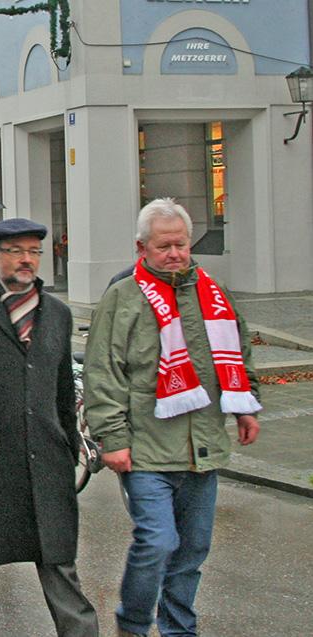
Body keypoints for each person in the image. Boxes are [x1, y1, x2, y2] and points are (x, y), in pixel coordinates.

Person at [84, 198, 261, 637]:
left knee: (193, 550)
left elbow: (237, 352)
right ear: (141, 247)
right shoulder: (122, 297)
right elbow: (103, 372)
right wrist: (112, 437)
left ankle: (180, 629)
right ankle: (134, 625)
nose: (175, 254)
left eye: (181, 244)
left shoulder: (212, 293)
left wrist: (244, 404)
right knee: (158, 543)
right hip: (145, 448)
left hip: (202, 447)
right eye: (164, 246)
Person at [0, 219, 98, 637]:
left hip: (44, 464)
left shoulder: (57, 315)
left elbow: (64, 391)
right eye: (16, 251)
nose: (26, 260)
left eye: (33, 252)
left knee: (59, 564)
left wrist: (66, 452)